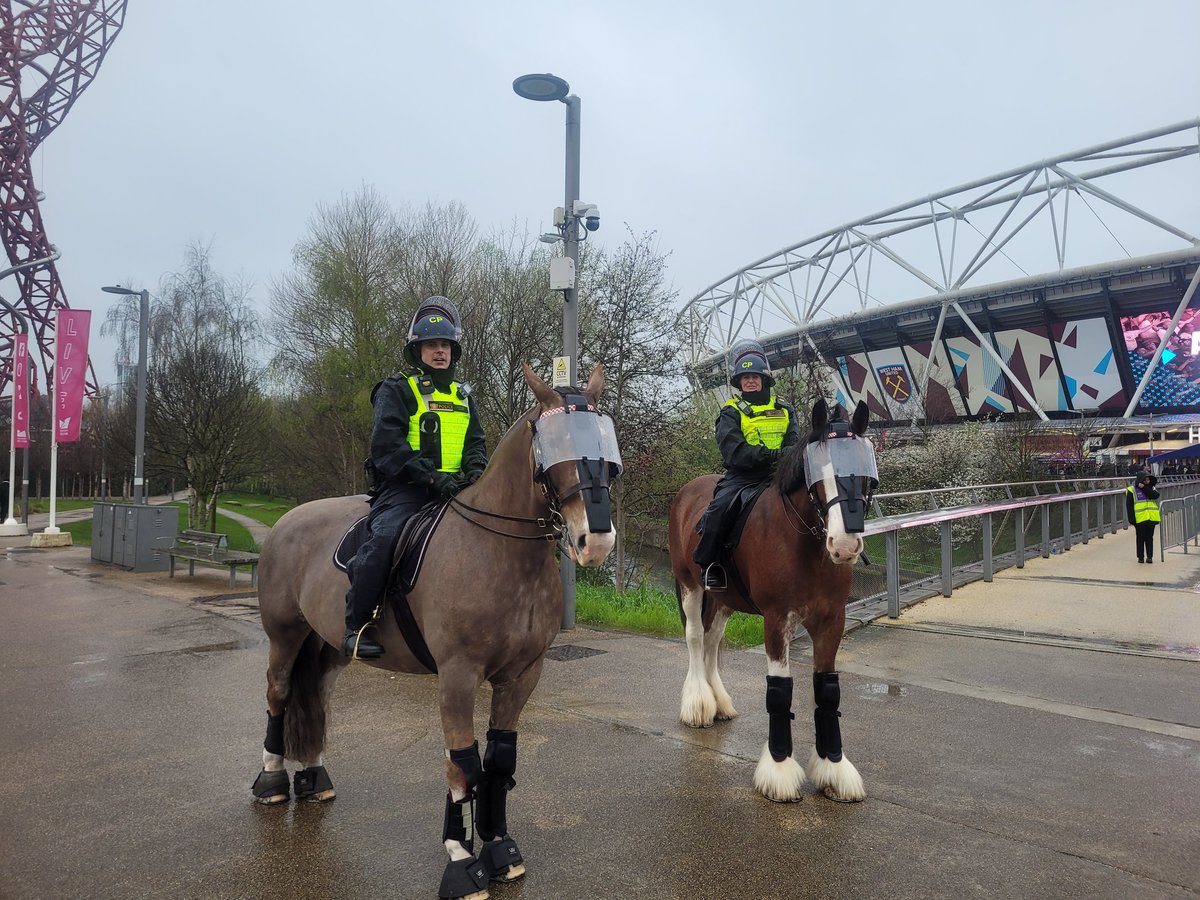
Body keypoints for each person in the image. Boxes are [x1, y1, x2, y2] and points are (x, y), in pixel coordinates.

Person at [343, 296, 488, 659]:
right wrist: (431, 478)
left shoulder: (464, 398)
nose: (439, 352)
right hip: (407, 491)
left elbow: (476, 445)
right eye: (431, 345)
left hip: (458, 491)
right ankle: (356, 625)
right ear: (417, 351)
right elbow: (387, 447)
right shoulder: (397, 390)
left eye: (445, 345)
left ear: (453, 351)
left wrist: (474, 474)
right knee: (384, 540)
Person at [692, 340, 799, 590]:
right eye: (744, 377)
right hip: (743, 477)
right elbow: (736, 453)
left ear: (764, 379)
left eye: (754, 376)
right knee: (719, 510)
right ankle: (709, 564)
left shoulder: (786, 409)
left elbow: (795, 444)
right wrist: (776, 455)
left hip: (781, 475)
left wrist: (785, 458)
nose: (750, 381)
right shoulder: (730, 412)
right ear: (739, 383)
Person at [1126, 470, 1161, 564]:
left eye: (1148, 479)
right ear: (1140, 480)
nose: (1147, 481)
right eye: (1145, 480)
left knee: (1149, 538)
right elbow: (1129, 505)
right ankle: (1140, 557)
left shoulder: (1151, 488)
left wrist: (1145, 487)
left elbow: (1155, 496)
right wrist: (1131, 519)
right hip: (1140, 518)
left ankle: (1150, 557)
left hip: (1151, 517)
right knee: (1140, 538)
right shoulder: (1131, 490)